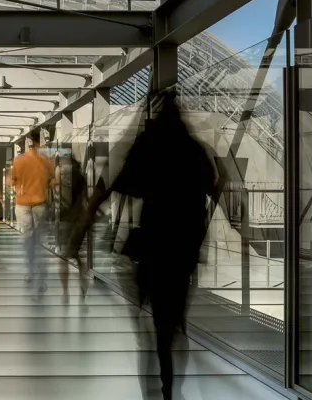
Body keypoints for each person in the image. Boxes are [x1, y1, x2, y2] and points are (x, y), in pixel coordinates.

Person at [69, 92, 214, 400]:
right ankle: (171, 386)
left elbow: (115, 186)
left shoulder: (148, 147)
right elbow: (215, 185)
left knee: (144, 325)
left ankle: (153, 384)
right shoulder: (194, 150)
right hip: (183, 249)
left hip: (150, 247)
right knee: (173, 324)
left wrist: (82, 230)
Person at [8, 130, 55, 291]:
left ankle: (29, 271)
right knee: (40, 239)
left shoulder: (20, 161)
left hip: (22, 204)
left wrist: (21, 186)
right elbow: (55, 182)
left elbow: (11, 181)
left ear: (29, 143)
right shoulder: (46, 161)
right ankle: (41, 274)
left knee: (28, 238)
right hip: (40, 203)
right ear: (39, 142)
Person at [57, 155, 90, 303]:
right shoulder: (82, 178)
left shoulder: (62, 177)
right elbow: (85, 199)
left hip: (65, 220)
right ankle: (82, 295)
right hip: (79, 220)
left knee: (63, 257)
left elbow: (58, 200)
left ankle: (65, 293)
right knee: (79, 258)